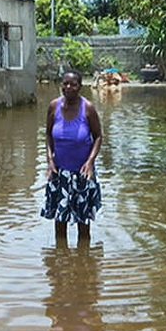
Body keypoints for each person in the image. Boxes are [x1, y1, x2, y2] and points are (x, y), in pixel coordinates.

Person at [40, 70, 102, 241]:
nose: (68, 87)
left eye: (73, 84)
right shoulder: (53, 106)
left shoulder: (87, 108)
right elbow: (47, 135)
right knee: (60, 222)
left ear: (80, 87)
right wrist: (50, 160)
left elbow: (98, 136)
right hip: (60, 172)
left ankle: (83, 263)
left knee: (84, 225)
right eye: (65, 83)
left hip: (83, 172)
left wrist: (90, 162)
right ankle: (61, 260)